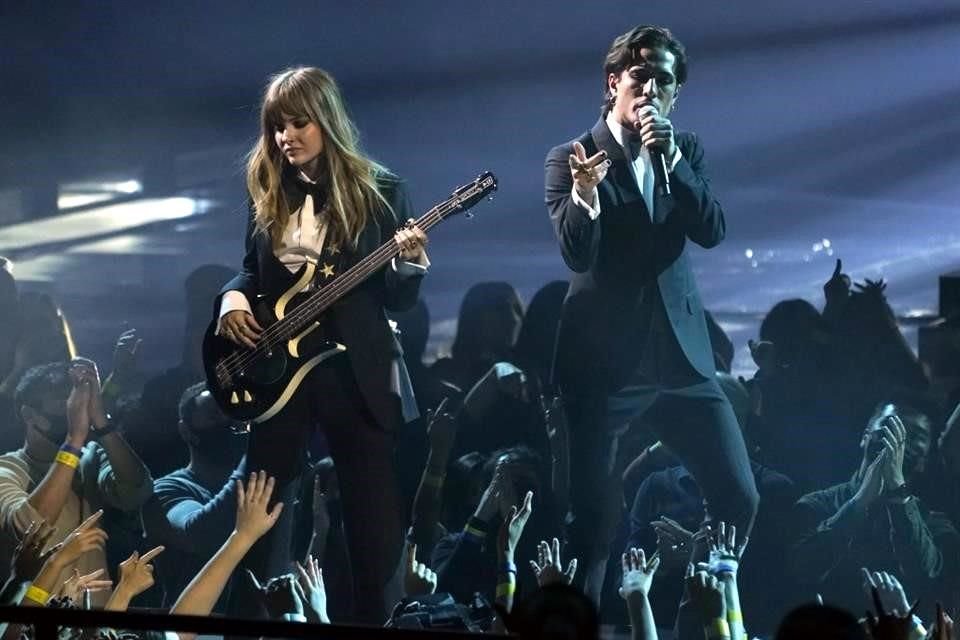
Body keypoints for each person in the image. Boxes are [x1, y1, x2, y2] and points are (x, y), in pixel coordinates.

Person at [544, 24, 758, 603]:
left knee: (739, 494)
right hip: (607, 367)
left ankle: (707, 608)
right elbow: (575, 253)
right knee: (591, 528)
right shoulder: (571, 157)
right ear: (614, 82)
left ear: (675, 94)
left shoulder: (684, 151)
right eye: (641, 76)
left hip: (683, 359)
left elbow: (711, 231)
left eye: (664, 80)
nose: (651, 89)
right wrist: (586, 196)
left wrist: (673, 165)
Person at [215, 66, 428, 623]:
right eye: (277, 126)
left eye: (299, 123)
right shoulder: (264, 187)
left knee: (374, 532)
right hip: (276, 378)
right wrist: (232, 300)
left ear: (326, 121)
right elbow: (249, 272)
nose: (286, 137)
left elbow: (397, 301)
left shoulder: (383, 189)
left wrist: (409, 263)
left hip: (355, 374)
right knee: (262, 527)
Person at [0, 360, 153, 602]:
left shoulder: (89, 458)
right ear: (29, 415)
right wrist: (73, 439)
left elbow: (137, 490)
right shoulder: (8, 469)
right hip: (31, 627)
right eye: (64, 410)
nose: (73, 416)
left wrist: (101, 422)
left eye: (75, 408)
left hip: (93, 627)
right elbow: (28, 527)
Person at [140, 382, 247, 610]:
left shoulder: (259, 481)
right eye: (213, 415)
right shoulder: (167, 489)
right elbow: (200, 534)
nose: (227, 423)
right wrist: (260, 447)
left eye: (231, 414)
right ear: (186, 430)